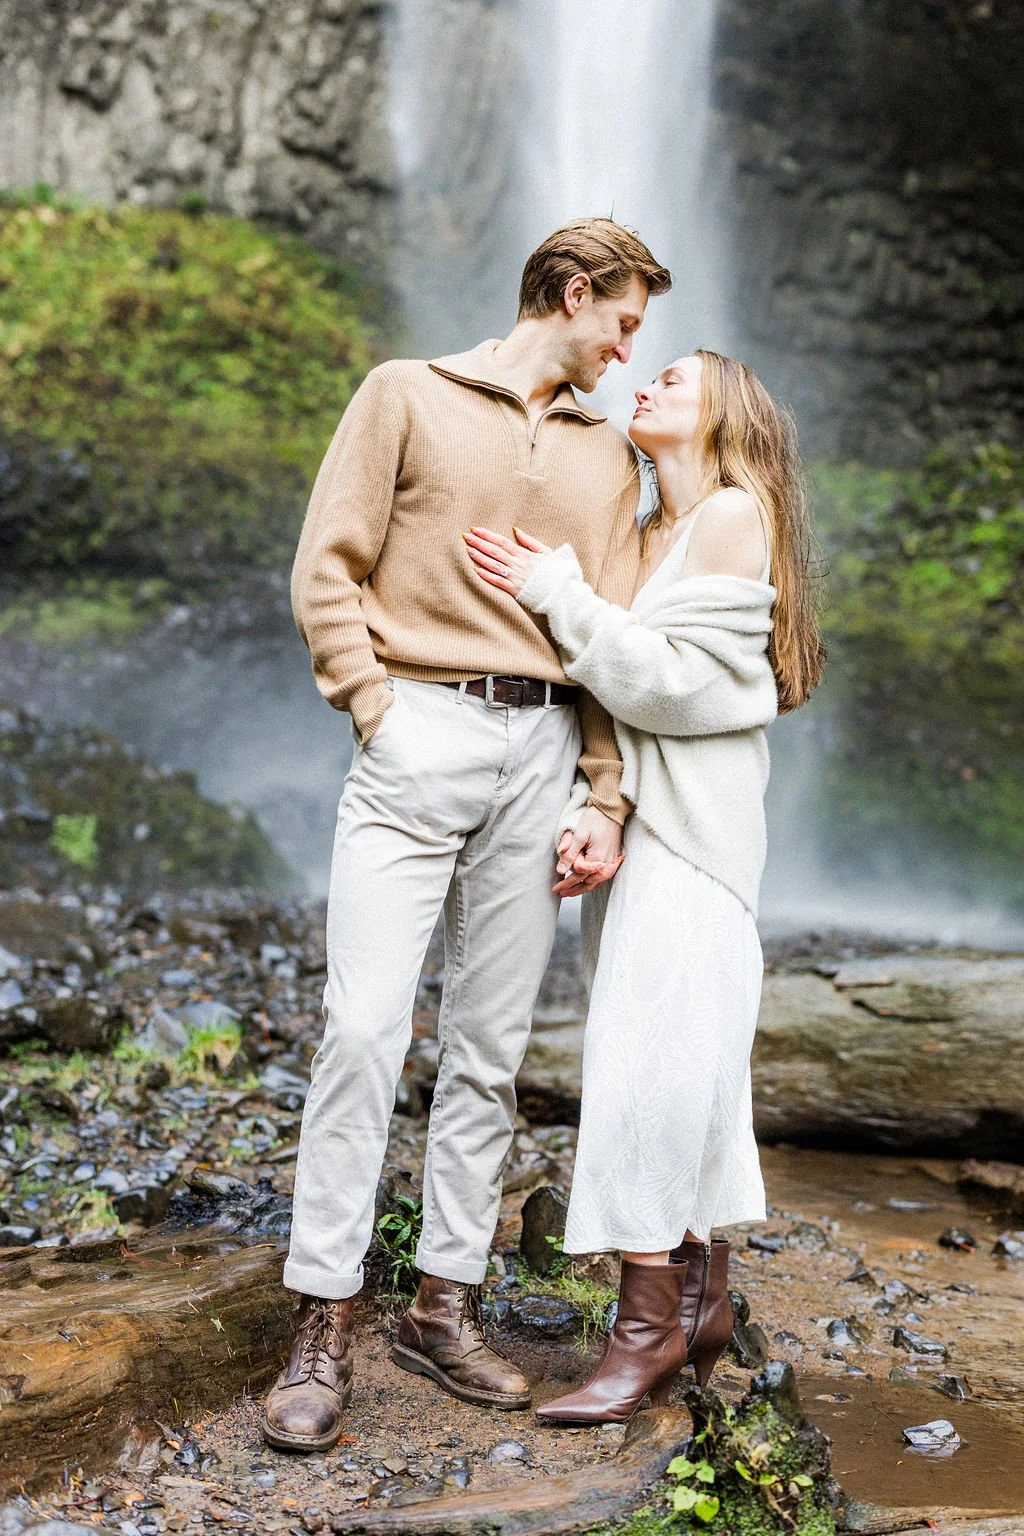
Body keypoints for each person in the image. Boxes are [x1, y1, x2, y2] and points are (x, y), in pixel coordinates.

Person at [260, 219, 672, 1451]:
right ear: (574, 290)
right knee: (363, 1029)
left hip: (543, 748)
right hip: (416, 730)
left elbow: (599, 633)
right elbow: (325, 566)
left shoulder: (611, 462)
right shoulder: (403, 395)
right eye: (624, 321)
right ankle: (321, 1319)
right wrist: (374, 705)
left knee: (489, 1048)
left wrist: (601, 793)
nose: (625, 348)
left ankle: (443, 1306)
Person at [465, 347, 825, 1423]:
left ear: (728, 412)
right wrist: (600, 802)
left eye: (678, 374)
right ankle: (700, 1299)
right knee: (682, 1069)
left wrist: (552, 591)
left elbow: (676, 689)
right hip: (657, 832)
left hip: (696, 844)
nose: (652, 380)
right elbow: (633, 696)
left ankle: (646, 1331)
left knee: (641, 1074)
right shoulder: (663, 527)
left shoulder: (726, 511)